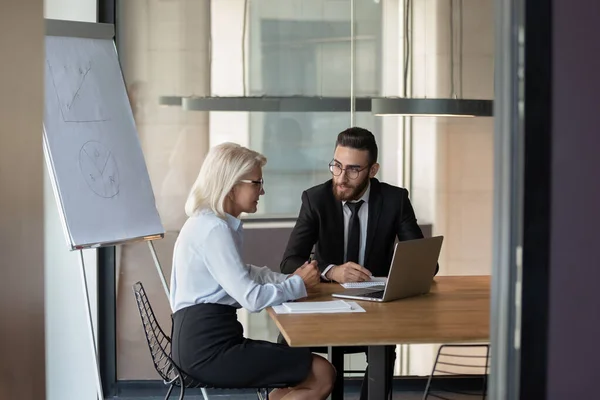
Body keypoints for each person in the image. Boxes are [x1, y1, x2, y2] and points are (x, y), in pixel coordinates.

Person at [169, 142, 336, 400]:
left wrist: (291, 280)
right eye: (257, 183)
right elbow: (251, 298)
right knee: (322, 373)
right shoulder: (214, 230)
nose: (263, 190)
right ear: (232, 184)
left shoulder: (211, 223)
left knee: (305, 374)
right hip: (208, 349)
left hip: (200, 342)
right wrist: (298, 285)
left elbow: (245, 273)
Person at [280, 127, 436, 400]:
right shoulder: (315, 199)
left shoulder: (394, 200)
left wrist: (401, 273)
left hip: (374, 307)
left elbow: (424, 262)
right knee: (286, 344)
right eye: (336, 166)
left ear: (372, 170)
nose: (341, 177)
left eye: (353, 170)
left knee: (385, 350)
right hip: (324, 305)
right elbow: (289, 261)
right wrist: (332, 271)